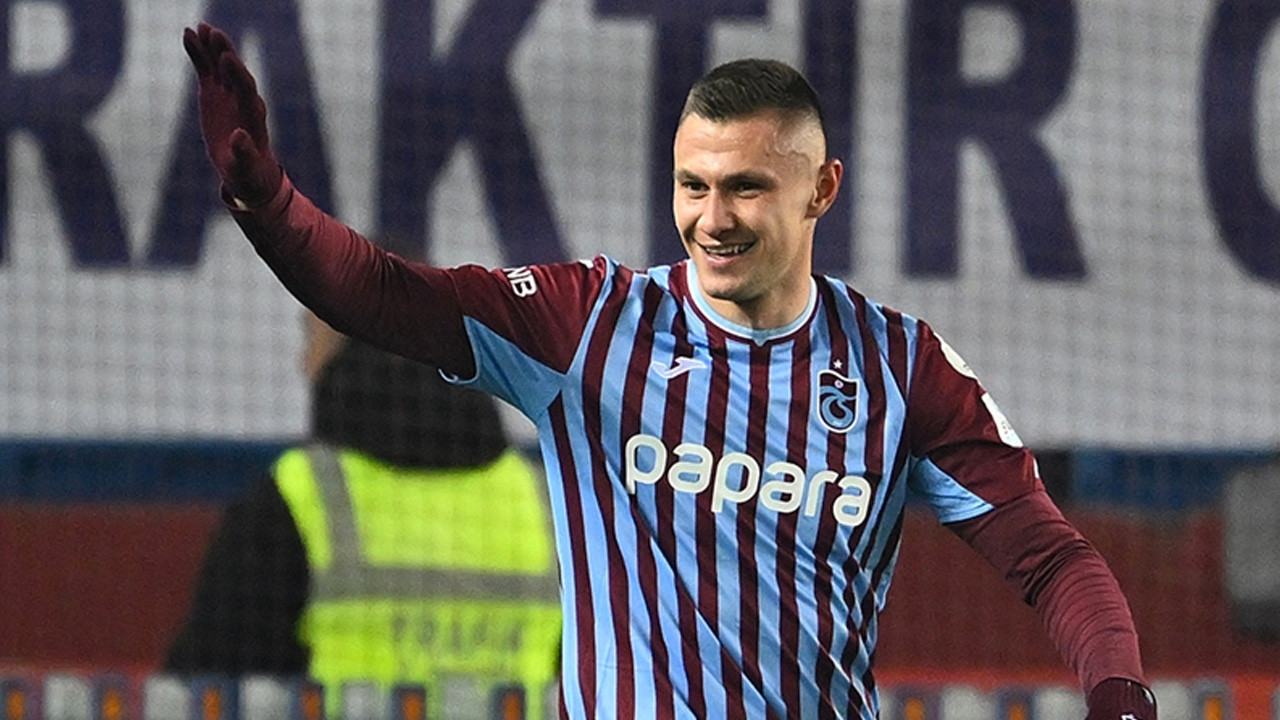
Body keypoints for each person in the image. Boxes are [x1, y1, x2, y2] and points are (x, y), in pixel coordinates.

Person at [181, 22, 1157, 719]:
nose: (711, 219)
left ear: (822, 189)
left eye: (746, 188)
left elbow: (1052, 560)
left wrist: (1117, 691)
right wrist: (270, 205)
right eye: (693, 184)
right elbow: (383, 294)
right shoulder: (587, 324)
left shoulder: (901, 370)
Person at [164, 310, 562, 719]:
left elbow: (209, 687)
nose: (304, 362)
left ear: (345, 339)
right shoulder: (546, 502)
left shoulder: (295, 499)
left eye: (311, 338)